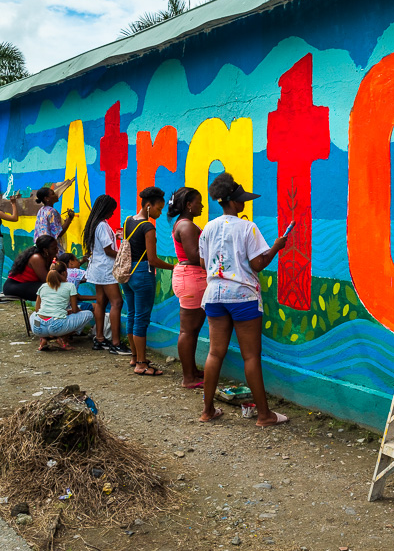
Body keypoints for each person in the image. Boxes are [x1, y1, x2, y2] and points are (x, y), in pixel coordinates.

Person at [198, 172, 288, 426]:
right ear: (234, 202)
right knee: (251, 357)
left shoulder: (208, 228)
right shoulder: (248, 227)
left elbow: (204, 262)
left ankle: (207, 411)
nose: (245, 203)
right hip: (242, 296)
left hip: (214, 294)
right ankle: (264, 415)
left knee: (215, 353)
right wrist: (276, 247)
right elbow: (258, 264)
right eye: (242, 200)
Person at [123, 187, 174, 375]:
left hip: (127, 273)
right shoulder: (148, 228)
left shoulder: (128, 220)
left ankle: (134, 357)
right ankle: (142, 364)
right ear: (148, 206)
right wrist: (174, 267)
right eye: (158, 209)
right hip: (143, 273)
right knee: (141, 319)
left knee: (132, 315)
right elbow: (152, 259)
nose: (160, 213)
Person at [168, 187, 207, 388]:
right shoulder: (187, 226)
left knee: (191, 330)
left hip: (188, 278)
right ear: (188, 205)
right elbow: (195, 257)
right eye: (198, 202)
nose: (201, 205)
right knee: (188, 331)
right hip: (193, 278)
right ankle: (189, 377)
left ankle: (191, 371)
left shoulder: (182, 225)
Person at [83, 194, 130, 355]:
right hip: (105, 269)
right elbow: (108, 250)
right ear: (106, 209)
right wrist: (124, 256)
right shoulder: (102, 225)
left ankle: (100, 338)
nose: (112, 213)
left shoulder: (94, 224)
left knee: (101, 302)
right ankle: (116, 343)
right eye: (112, 210)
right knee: (117, 302)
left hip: (97, 268)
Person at [30, 259, 94, 351]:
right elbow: (75, 310)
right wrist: (70, 311)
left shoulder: (43, 286)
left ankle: (43, 339)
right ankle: (62, 338)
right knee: (89, 314)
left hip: (38, 328)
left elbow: (37, 309)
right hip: (57, 327)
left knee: (34, 315)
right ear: (64, 273)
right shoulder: (69, 286)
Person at [3, 235, 58, 301]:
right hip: (14, 286)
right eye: (54, 248)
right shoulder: (37, 258)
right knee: (48, 289)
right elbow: (46, 280)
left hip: (27, 284)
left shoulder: (50, 257)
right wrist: (52, 270)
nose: (57, 250)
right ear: (45, 250)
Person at [34, 186, 74, 253]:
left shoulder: (41, 210)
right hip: (51, 248)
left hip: (42, 247)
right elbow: (58, 233)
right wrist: (69, 219)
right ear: (46, 198)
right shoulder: (52, 212)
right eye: (53, 194)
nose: (56, 194)